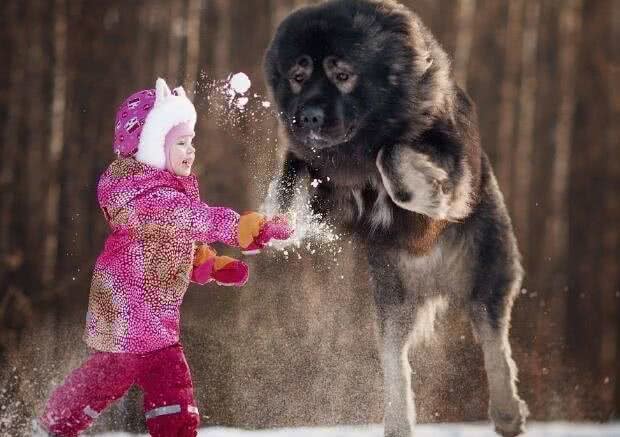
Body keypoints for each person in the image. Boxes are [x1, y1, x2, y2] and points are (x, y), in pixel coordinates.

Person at [36, 78, 292, 437]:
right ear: (153, 146)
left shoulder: (166, 195)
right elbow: (192, 218)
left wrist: (205, 262)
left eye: (192, 142)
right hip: (125, 328)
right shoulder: (146, 196)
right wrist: (248, 228)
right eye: (180, 143)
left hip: (157, 329)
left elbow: (169, 242)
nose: (191, 151)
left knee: (175, 400)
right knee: (105, 380)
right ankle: (52, 424)